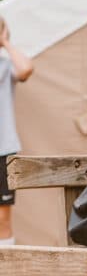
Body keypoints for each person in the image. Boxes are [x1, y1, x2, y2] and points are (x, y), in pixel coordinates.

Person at [0, 17, 34, 247]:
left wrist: (5, 42)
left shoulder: (6, 65)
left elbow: (26, 69)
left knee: (3, 216)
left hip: (4, 149)